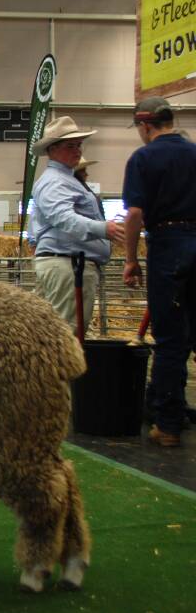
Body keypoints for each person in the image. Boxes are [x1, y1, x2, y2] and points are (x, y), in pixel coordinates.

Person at [123, 96, 196, 448]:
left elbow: (135, 214)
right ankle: (177, 408)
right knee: (189, 336)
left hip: (168, 244)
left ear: (145, 125)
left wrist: (130, 258)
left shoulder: (144, 158)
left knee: (168, 339)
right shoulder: (194, 152)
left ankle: (167, 424)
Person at [27, 116, 124, 334]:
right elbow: (63, 218)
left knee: (55, 332)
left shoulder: (63, 180)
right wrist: (103, 229)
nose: (77, 150)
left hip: (68, 264)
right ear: (52, 149)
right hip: (68, 266)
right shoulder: (55, 181)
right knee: (66, 335)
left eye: (79, 144)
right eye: (70, 145)